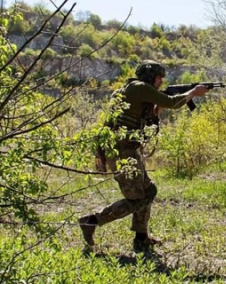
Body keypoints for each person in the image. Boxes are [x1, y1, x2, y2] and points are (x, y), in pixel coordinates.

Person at [78, 59, 209, 251]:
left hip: (126, 149)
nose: (161, 82)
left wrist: (156, 110)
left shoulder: (129, 91)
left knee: (149, 191)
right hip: (123, 151)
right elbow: (174, 102)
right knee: (137, 198)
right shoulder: (139, 87)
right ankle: (91, 221)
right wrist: (194, 93)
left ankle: (141, 238)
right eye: (158, 78)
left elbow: (142, 124)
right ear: (149, 77)